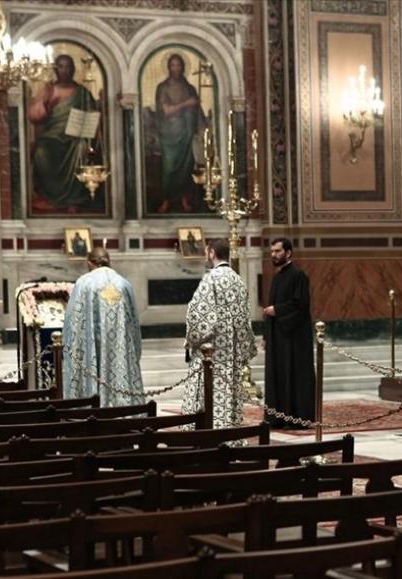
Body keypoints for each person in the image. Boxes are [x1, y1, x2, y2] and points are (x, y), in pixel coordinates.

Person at [183, 239, 256, 428]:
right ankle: (228, 430)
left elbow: (199, 315)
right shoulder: (238, 280)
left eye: (207, 252)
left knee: (209, 392)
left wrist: (192, 339)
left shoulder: (211, 279)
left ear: (212, 253)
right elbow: (245, 318)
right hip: (231, 352)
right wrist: (242, 348)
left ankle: (208, 431)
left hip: (211, 352)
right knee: (228, 393)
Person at [62, 247, 144, 406]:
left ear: (89, 263)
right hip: (120, 350)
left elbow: (72, 322)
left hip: (91, 352)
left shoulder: (84, 283)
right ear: (109, 261)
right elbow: (134, 324)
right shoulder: (124, 284)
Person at [27, 54, 100, 212]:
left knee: (81, 148)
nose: (65, 70)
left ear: (73, 69)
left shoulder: (82, 92)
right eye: (61, 66)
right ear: (55, 69)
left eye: (68, 66)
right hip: (52, 137)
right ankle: (48, 197)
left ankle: (75, 199)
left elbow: (93, 115)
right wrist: (45, 101)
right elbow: (34, 116)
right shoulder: (49, 89)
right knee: (41, 152)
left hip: (75, 137)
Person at [263, 238, 315, 427]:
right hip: (278, 337)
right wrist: (267, 336)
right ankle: (277, 417)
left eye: (277, 251)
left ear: (288, 252)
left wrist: (276, 310)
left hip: (294, 338)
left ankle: (297, 419)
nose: (273, 255)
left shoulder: (298, 275)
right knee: (278, 376)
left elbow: (300, 305)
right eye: (272, 251)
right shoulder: (277, 277)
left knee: (294, 376)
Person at [156, 53, 205, 214]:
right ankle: (167, 199)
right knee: (169, 168)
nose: (176, 68)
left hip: (187, 134)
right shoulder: (163, 88)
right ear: (168, 67)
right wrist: (186, 103)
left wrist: (201, 130)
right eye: (173, 65)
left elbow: (198, 111)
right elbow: (167, 111)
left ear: (183, 67)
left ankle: (185, 199)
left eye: (178, 65)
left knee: (186, 168)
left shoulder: (190, 88)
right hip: (170, 134)